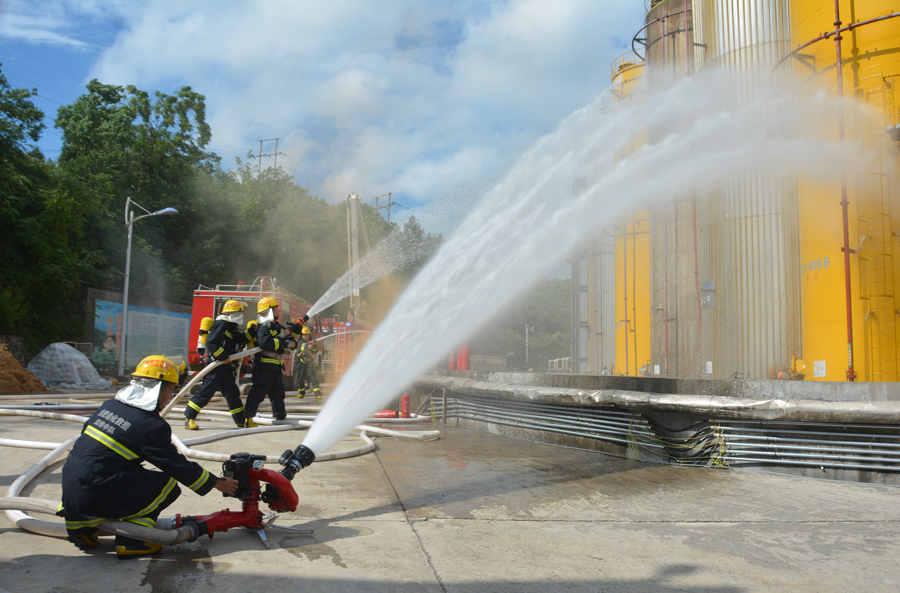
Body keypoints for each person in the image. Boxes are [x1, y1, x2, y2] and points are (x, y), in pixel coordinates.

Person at [59, 355, 239, 558]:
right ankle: (134, 540)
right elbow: (176, 465)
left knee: (128, 471)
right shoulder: (151, 425)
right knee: (166, 486)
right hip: (95, 491)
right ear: (157, 389)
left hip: (70, 488)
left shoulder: (109, 406)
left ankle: (80, 527)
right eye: (171, 390)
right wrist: (216, 482)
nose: (171, 397)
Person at [184, 300, 252, 429]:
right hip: (216, 366)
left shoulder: (231, 328)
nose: (241, 315)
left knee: (232, 394)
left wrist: (253, 331)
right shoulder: (220, 324)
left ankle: (240, 420)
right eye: (240, 312)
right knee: (206, 392)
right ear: (233, 313)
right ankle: (189, 417)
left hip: (225, 368)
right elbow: (211, 342)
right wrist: (223, 356)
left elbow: (240, 339)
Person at [243, 297, 303, 427]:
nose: (279, 310)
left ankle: (280, 417)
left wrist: (296, 330)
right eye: (276, 308)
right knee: (258, 392)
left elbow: (289, 340)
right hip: (264, 366)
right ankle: (248, 418)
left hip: (276, 366)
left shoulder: (277, 326)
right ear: (269, 310)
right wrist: (281, 342)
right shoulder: (264, 327)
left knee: (278, 393)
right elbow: (265, 343)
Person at [295, 326, 321, 399]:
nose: (306, 336)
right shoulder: (299, 342)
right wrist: (307, 346)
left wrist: (314, 345)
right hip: (301, 362)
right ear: (302, 335)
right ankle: (301, 393)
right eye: (304, 334)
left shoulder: (312, 342)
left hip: (309, 362)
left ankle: (317, 394)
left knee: (313, 378)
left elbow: (315, 351)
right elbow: (298, 350)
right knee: (300, 378)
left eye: (307, 334)